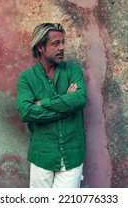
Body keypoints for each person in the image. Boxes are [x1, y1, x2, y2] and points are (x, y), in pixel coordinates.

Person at [17, 22, 87, 188]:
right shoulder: (26, 78)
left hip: (72, 153)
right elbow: (26, 112)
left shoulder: (73, 71)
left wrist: (43, 103)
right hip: (42, 154)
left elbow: (80, 99)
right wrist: (66, 106)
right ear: (41, 47)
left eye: (63, 42)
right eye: (56, 43)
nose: (62, 47)